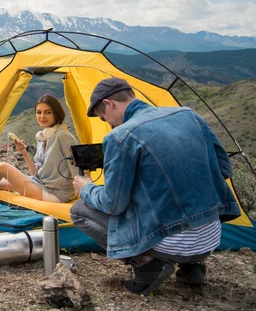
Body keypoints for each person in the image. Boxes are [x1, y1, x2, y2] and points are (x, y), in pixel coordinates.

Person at [71, 77, 240, 295]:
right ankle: (192, 268)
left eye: (105, 118)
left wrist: (86, 187)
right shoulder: (190, 115)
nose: (109, 124)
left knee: (79, 211)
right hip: (210, 237)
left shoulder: (120, 136)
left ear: (109, 104)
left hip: (170, 242)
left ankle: (146, 264)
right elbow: (224, 169)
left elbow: (113, 204)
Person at [0, 94, 79, 203]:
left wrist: (83, 195)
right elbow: (35, 173)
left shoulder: (63, 136)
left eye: (48, 112)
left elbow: (77, 169)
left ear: (56, 114)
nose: (42, 116)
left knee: (3, 168)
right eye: (39, 112)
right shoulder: (42, 137)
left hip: (55, 193)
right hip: (38, 184)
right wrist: (24, 152)